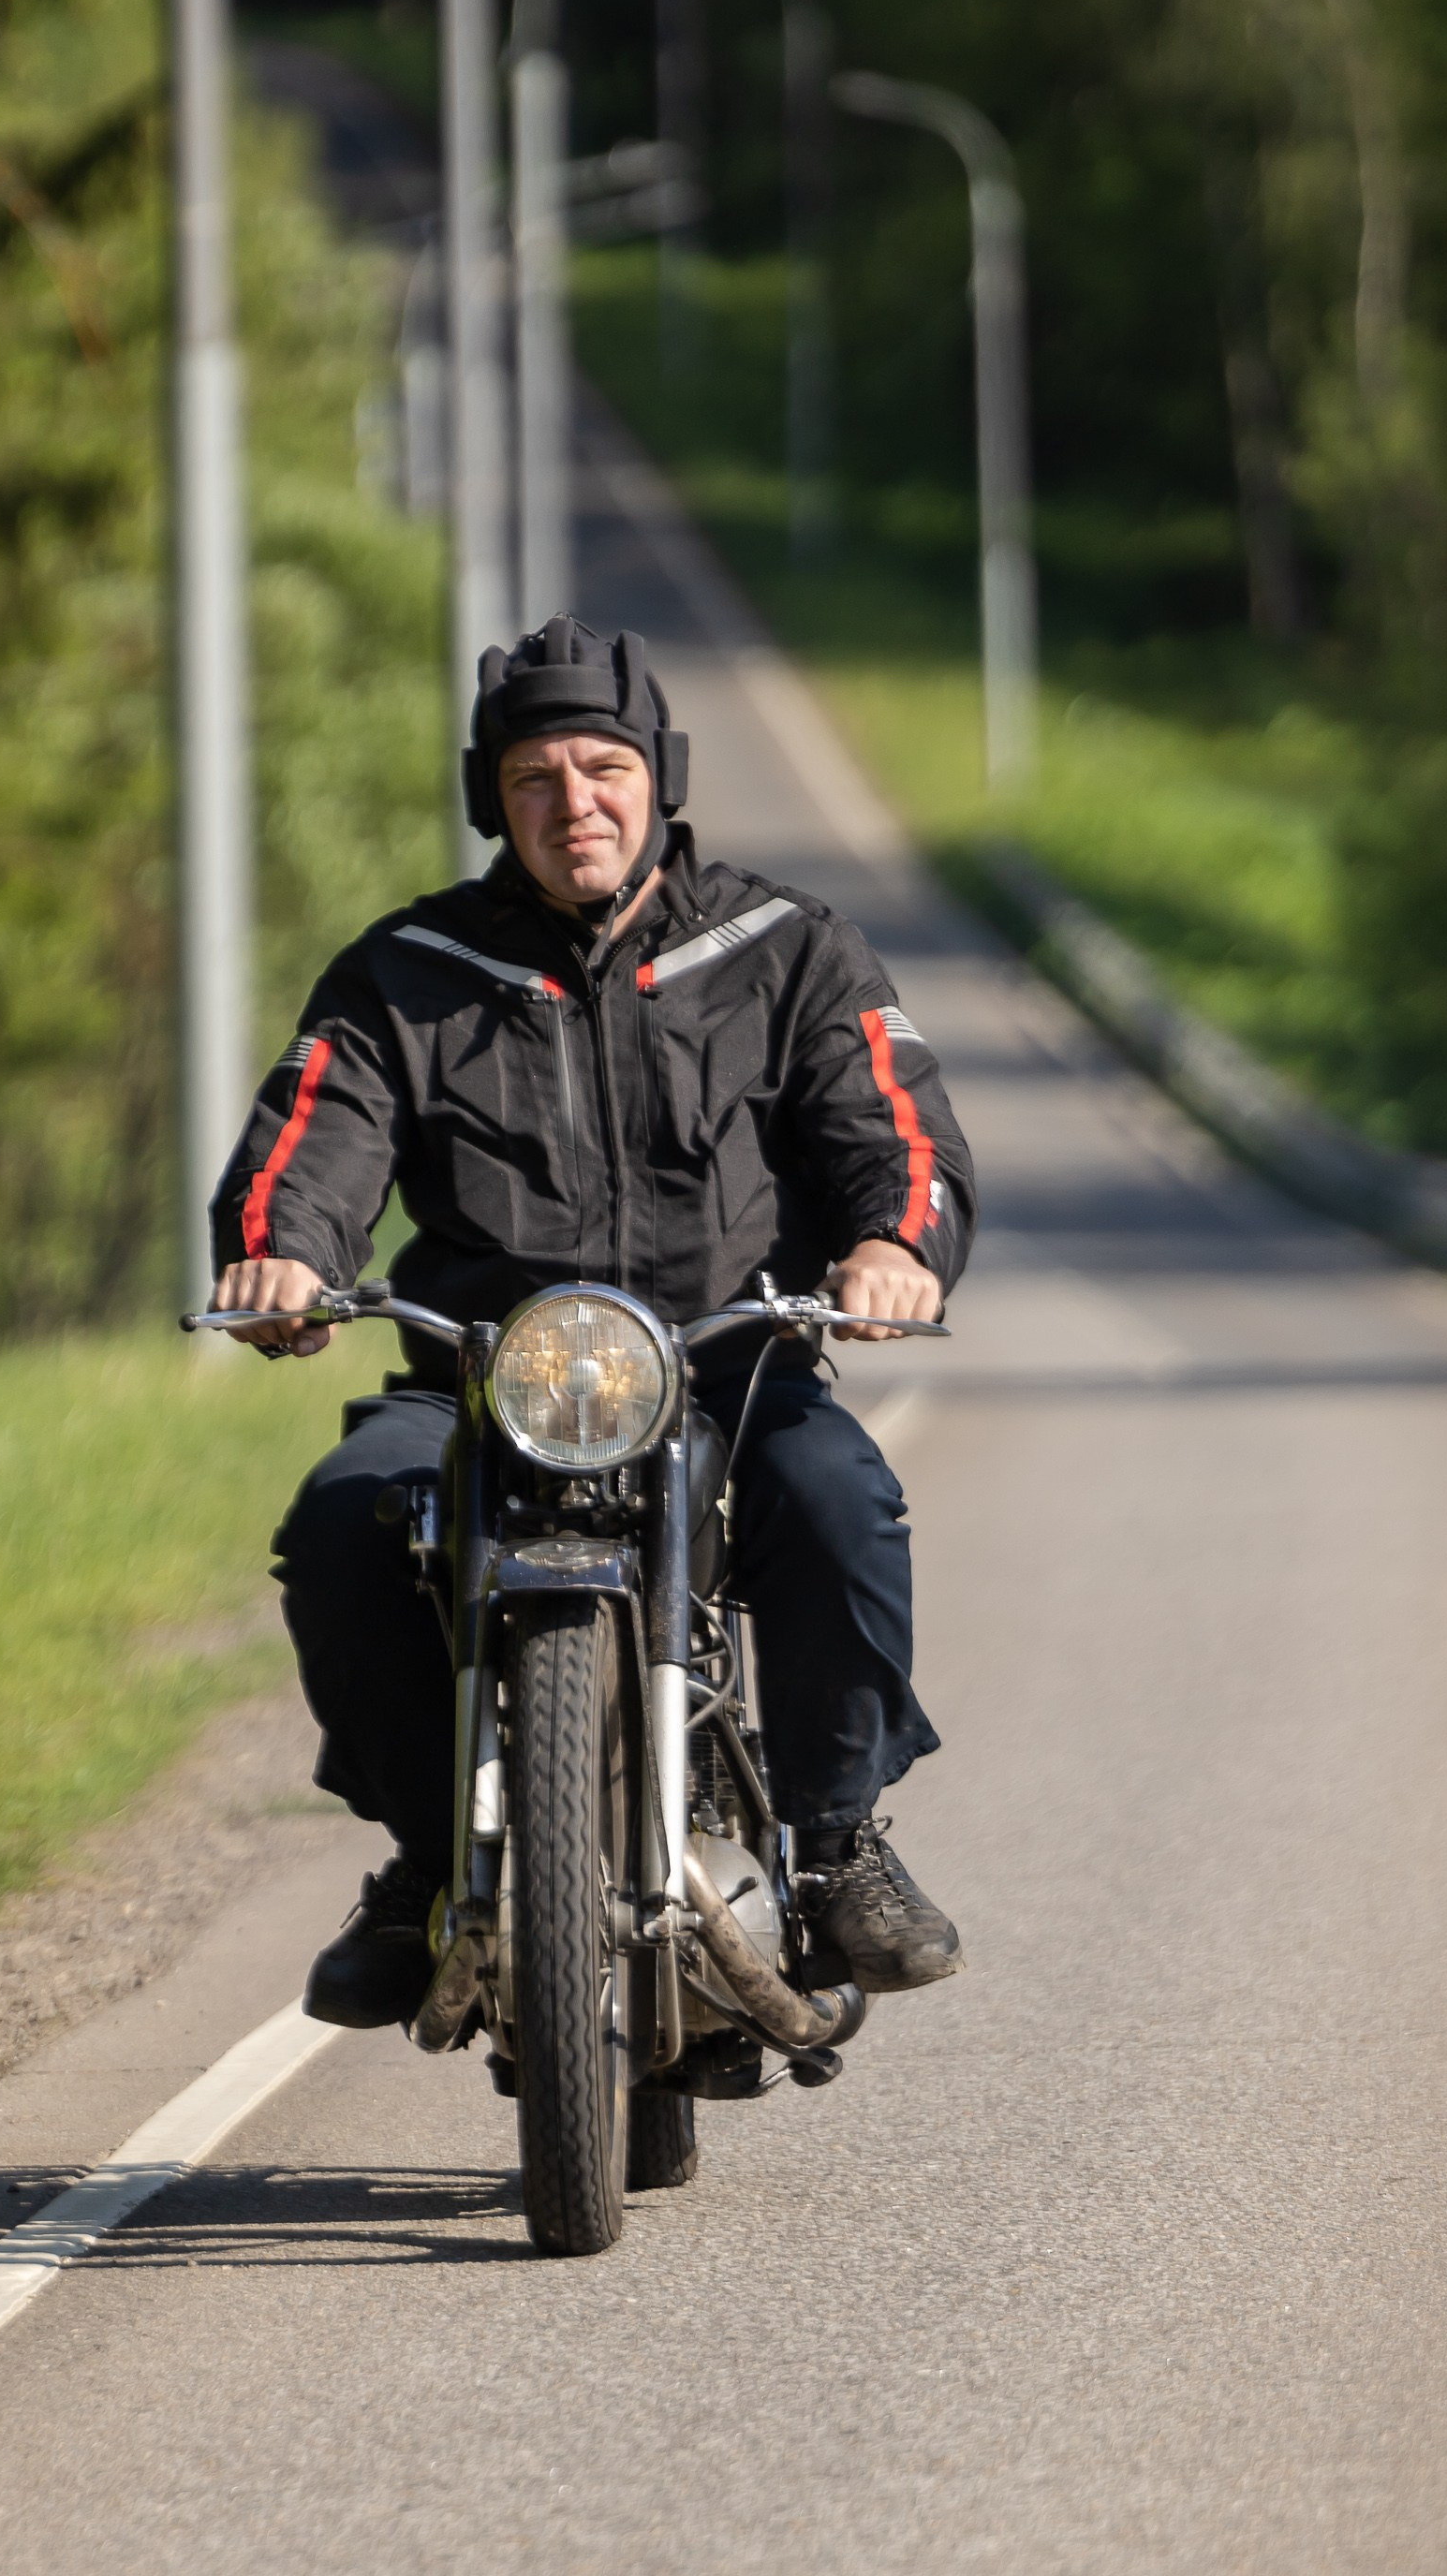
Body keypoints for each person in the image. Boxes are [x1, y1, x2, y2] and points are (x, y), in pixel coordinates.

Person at [210, 615, 977, 2030]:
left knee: (838, 1503)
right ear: (489, 799)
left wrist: (890, 1245)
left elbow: (896, 1133)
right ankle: (423, 1862)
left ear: (658, 777)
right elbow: (308, 1143)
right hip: (474, 1373)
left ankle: (836, 1844)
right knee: (342, 1525)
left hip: (722, 1369)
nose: (576, 805)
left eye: (603, 769)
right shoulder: (408, 971)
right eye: (536, 780)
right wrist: (281, 1259)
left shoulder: (783, 948)